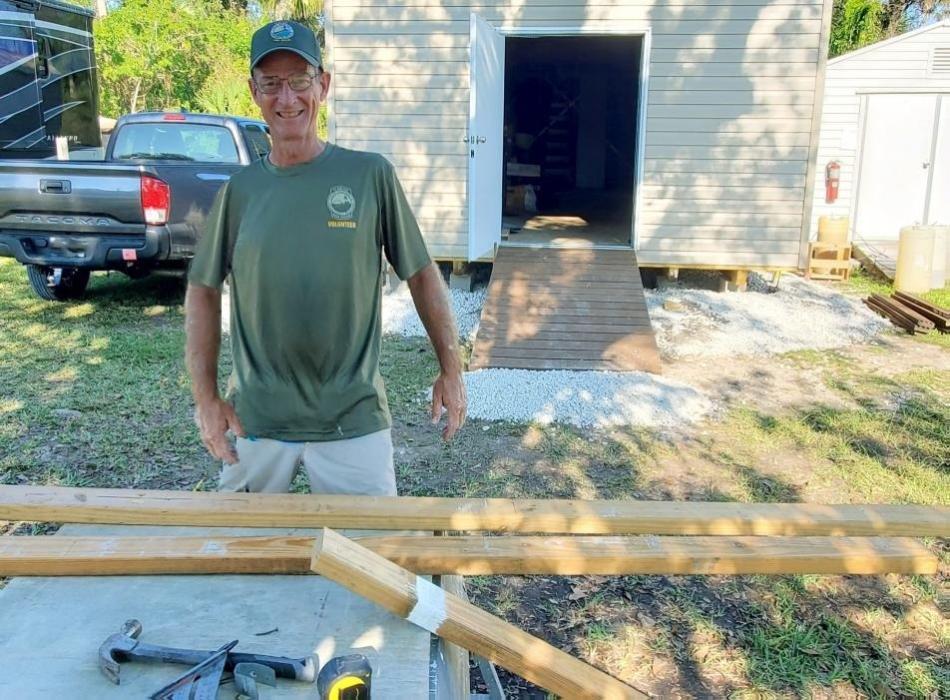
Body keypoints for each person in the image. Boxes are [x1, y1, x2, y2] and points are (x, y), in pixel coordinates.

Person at [184, 20, 466, 496]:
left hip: (352, 418)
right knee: (236, 561)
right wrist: (206, 398)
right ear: (254, 92)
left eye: (299, 80)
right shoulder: (240, 192)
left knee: (370, 563)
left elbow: (420, 273)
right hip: (256, 418)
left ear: (324, 85)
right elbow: (202, 290)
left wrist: (452, 368)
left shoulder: (369, 175)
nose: (287, 98)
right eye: (271, 84)